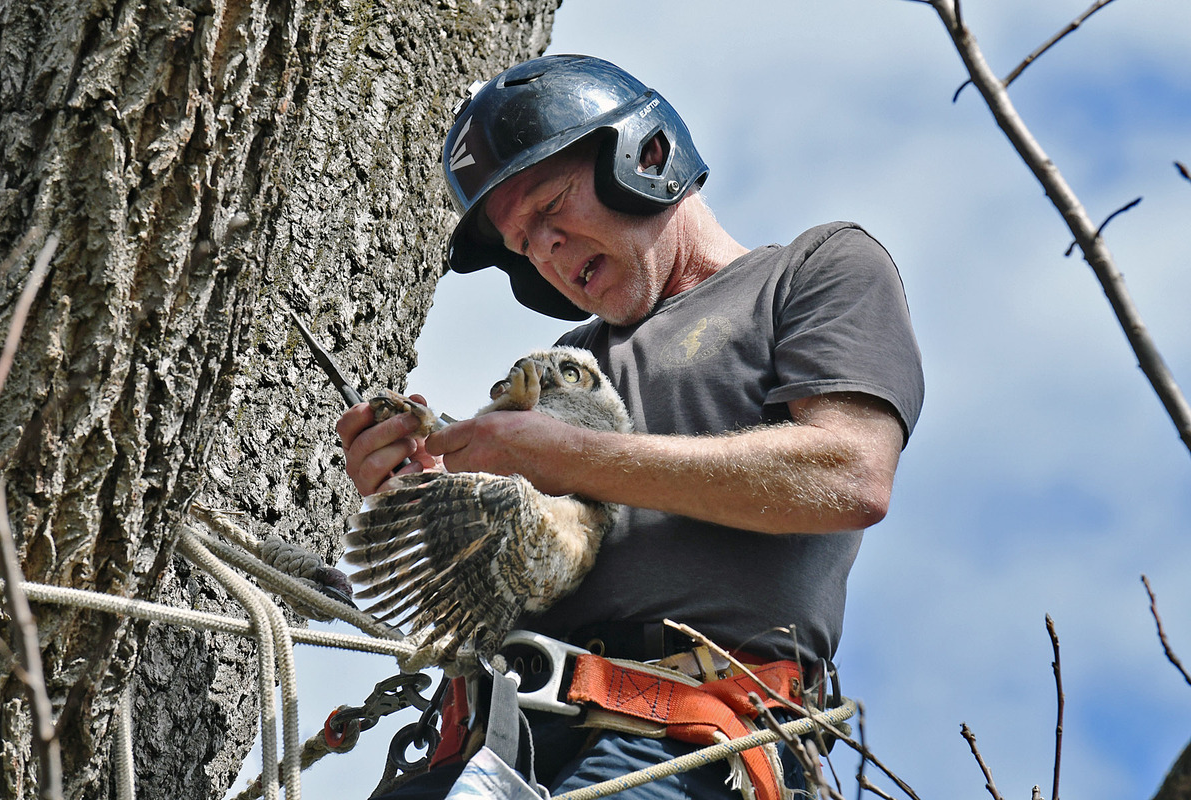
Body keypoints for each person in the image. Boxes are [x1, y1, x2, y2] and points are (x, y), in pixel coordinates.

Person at [337, 55, 924, 800]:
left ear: (646, 157)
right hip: (492, 747)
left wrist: (573, 457)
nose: (543, 249)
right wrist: (421, 493)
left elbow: (850, 474)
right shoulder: (562, 368)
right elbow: (500, 583)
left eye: (550, 209)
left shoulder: (815, 271)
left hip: (680, 747)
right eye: (523, 245)